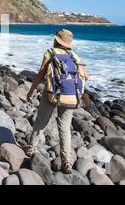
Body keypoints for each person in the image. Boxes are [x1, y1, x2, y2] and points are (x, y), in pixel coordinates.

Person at [24, 29, 89, 174]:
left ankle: (31, 147)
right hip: (70, 96)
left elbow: (41, 73)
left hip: (51, 93)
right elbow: (86, 75)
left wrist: (31, 90)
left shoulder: (50, 52)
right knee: (65, 129)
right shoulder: (74, 56)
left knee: (41, 120)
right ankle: (66, 162)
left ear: (56, 40)